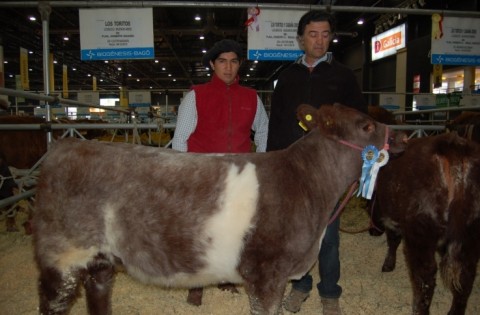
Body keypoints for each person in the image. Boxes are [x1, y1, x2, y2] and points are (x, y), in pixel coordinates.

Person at [266, 10, 367, 315]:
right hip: (291, 171)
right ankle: (301, 285)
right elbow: (277, 121)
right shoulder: (286, 76)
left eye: (325, 34)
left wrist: (356, 166)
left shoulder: (344, 77)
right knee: (296, 234)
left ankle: (330, 293)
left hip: (328, 173)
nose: (320, 40)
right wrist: (273, 164)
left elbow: (359, 123)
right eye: (313, 34)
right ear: (301, 38)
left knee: (329, 237)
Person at [171, 38, 269, 306]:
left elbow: (263, 130)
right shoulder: (195, 96)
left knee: (234, 230)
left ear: (239, 65)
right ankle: (197, 283)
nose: (228, 67)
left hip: (238, 176)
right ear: (212, 65)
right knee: (200, 230)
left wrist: (258, 162)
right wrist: (184, 173)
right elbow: (181, 137)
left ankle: (226, 277)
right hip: (203, 175)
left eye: (234, 61)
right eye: (222, 61)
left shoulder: (251, 97)